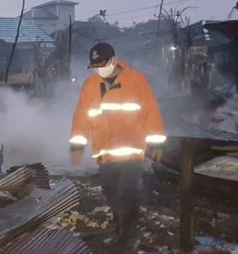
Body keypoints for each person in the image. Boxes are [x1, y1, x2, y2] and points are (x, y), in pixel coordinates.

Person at [69, 42, 166, 251]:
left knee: (128, 194)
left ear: (113, 60)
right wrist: (77, 145)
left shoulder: (136, 80)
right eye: (95, 66)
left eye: (102, 64)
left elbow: (151, 112)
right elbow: (81, 117)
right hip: (105, 154)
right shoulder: (90, 84)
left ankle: (128, 237)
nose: (99, 69)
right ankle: (120, 232)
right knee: (112, 194)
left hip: (131, 152)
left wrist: (156, 144)